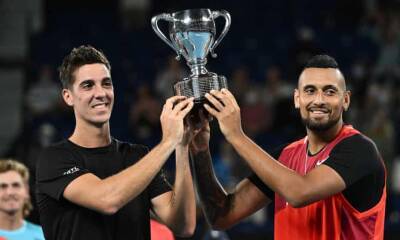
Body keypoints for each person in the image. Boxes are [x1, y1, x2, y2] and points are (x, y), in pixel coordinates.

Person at [190, 55, 386, 239]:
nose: (319, 100)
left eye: (330, 91)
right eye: (310, 91)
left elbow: (299, 193)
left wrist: (236, 136)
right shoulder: (285, 156)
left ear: (346, 100)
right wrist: (200, 151)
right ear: (296, 99)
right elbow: (221, 216)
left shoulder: (361, 150)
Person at [36, 45, 196, 240]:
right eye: (88, 85)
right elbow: (107, 200)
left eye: (106, 83)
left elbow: (184, 225)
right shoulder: (54, 159)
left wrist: (181, 145)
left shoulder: (137, 156)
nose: (100, 93)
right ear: (68, 97)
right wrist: (167, 142)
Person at [0, 159, 44, 240]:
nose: (10, 192)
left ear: (26, 191)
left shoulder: (43, 236)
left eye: (16, 185)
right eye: (3, 186)